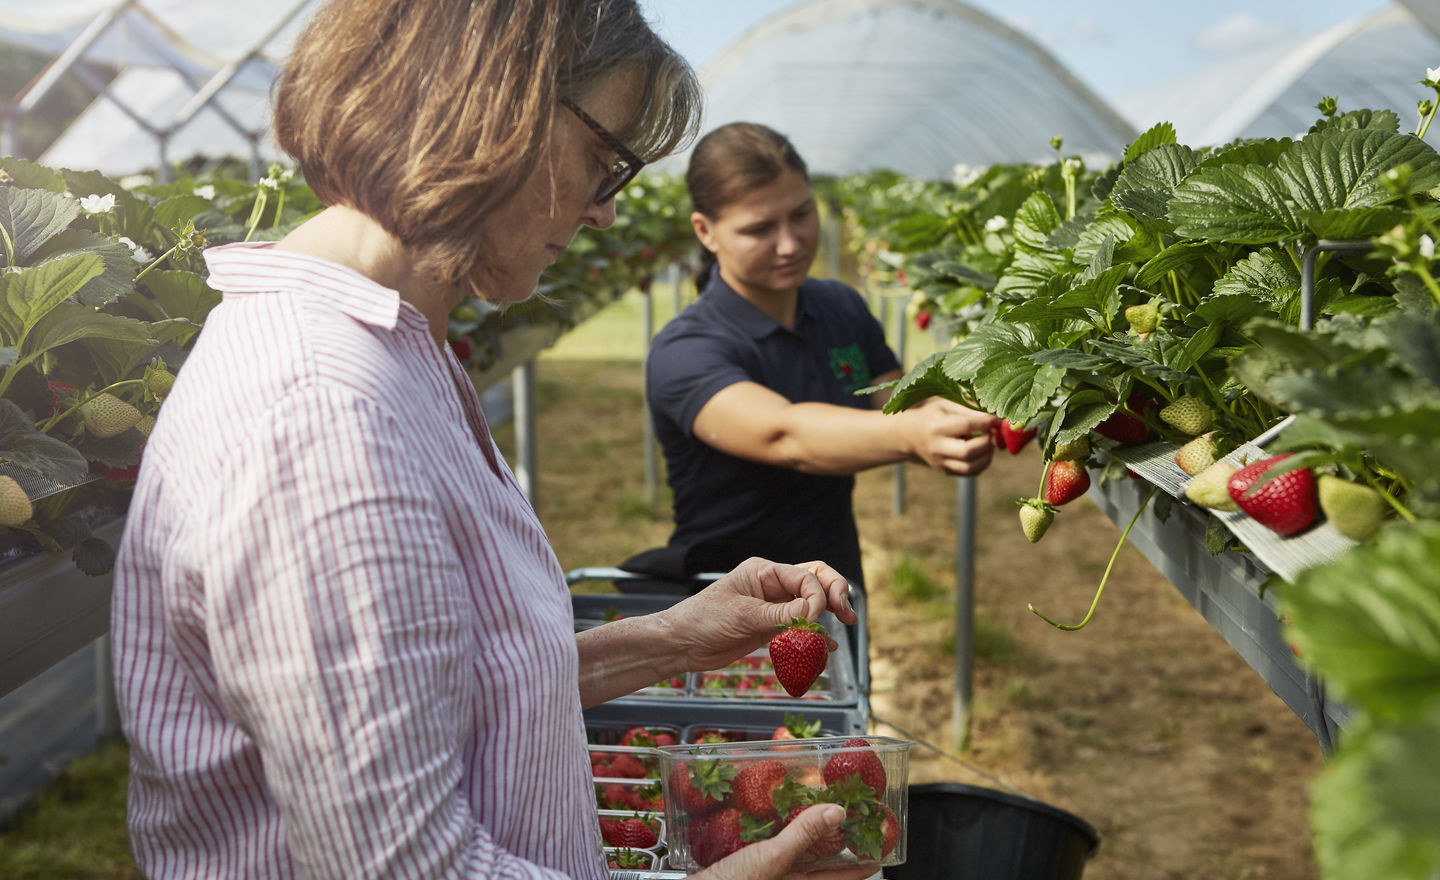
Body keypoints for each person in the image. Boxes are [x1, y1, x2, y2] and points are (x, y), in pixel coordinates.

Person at [110, 4, 873, 879]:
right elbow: (405, 868)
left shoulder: (393, 351)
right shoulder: (321, 417)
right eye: (604, 159)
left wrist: (676, 638)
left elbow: (454, 687)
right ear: (490, 107)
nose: (606, 212)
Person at [644, 122, 999, 589]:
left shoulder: (840, 307)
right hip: (725, 598)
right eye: (760, 229)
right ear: (705, 231)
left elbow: (899, 403)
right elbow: (786, 436)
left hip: (834, 584)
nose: (790, 244)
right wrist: (914, 433)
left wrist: (983, 407)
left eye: (802, 214)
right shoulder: (685, 350)